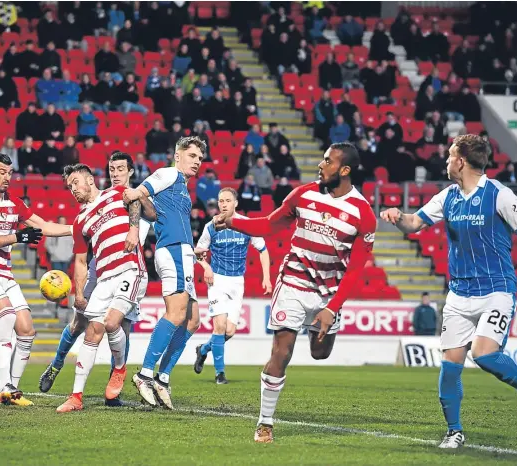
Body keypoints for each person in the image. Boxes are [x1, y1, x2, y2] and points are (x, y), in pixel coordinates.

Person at [213, 142, 377, 443]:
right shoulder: (303, 194)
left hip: (329, 293)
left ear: (344, 170)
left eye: (327, 161)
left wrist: (332, 308)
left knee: (320, 353)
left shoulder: (363, 214)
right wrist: (233, 221)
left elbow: (354, 271)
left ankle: (320, 327)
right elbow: (268, 225)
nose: (320, 165)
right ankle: (265, 423)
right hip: (293, 282)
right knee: (282, 351)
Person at [380, 134, 517, 448]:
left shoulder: (500, 195)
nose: (447, 161)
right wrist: (398, 217)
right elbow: (414, 223)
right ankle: (454, 432)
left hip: (496, 290)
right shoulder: (447, 196)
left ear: (461, 161)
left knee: (483, 354)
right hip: (459, 295)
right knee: (450, 367)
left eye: (451, 156)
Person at [39, 152, 156, 410]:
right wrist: (79, 293)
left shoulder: (116, 193)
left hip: (129, 269)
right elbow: (81, 261)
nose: (72, 190)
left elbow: (138, 203)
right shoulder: (80, 220)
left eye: (75, 183)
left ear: (90, 179)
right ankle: (76, 396)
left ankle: (119, 370)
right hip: (103, 276)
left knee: (114, 323)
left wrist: (134, 228)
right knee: (90, 330)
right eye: (69, 187)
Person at [0, 153, 72, 406]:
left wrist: (76, 229)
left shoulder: (14, 203)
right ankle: (4, 385)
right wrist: (17, 237)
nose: (6, 177)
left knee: (27, 330)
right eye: (2, 172)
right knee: (8, 316)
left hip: (3, 274)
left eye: (10, 173)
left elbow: (42, 225)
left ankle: (13, 390)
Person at [123, 136, 206, 409]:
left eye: (200, 158)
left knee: (193, 319)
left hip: (183, 252)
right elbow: (138, 192)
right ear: (178, 155)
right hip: (172, 250)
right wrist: (135, 200)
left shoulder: (182, 187)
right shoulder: (170, 174)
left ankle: (163, 377)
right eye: (192, 156)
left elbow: (150, 209)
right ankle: (145, 374)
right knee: (176, 313)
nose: (197, 162)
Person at [193, 188, 272, 384]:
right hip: (218, 280)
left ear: (235, 203)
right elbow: (198, 251)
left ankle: (203, 349)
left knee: (229, 331)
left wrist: (266, 278)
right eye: (221, 201)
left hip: (238, 282)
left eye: (228, 200)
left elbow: (263, 250)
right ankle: (220, 374)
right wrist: (206, 267)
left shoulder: (245, 224)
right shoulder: (211, 226)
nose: (224, 204)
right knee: (219, 326)